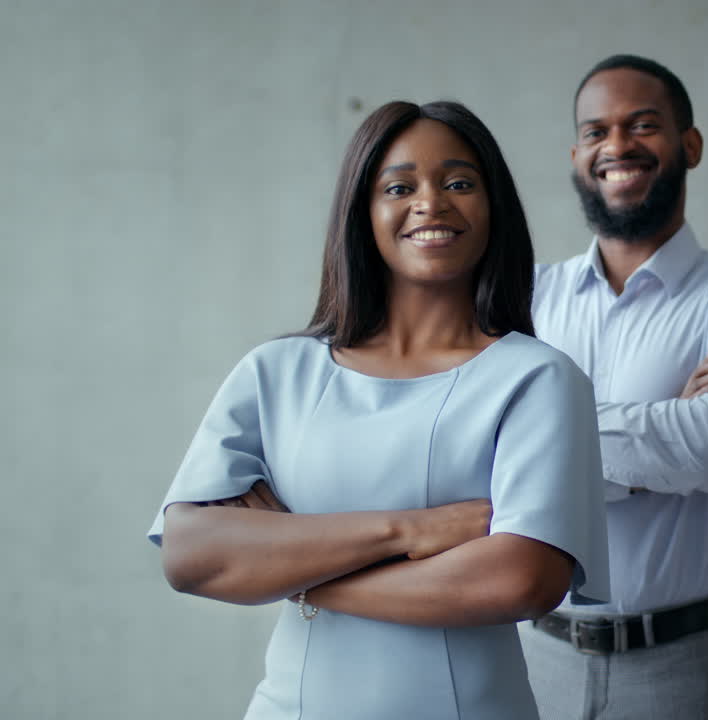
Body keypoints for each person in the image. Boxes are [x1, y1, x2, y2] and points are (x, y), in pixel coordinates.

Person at [147, 100, 609, 720]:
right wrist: (412, 530)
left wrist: (289, 566)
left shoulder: (538, 378)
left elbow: (519, 580)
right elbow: (189, 554)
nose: (431, 202)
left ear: (493, 207)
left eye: (459, 182)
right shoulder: (277, 371)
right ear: (362, 213)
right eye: (399, 186)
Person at [519, 55, 708, 720]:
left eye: (642, 125)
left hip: (683, 663)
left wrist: (544, 442)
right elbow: (477, 452)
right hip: (536, 658)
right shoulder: (525, 297)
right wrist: (661, 424)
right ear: (577, 152)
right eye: (596, 131)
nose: (617, 146)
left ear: (690, 145)